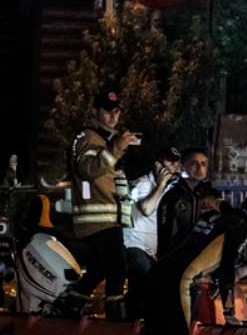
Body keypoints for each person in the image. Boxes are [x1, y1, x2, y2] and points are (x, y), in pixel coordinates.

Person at [143, 190, 247, 335]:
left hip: (157, 273)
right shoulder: (240, 227)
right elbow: (227, 268)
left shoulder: (217, 216)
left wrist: (215, 279)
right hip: (178, 282)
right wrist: (229, 311)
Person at [52, 89, 139, 321]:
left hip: (108, 216)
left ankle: (70, 306)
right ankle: (115, 319)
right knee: (118, 267)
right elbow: (87, 169)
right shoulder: (87, 137)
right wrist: (117, 149)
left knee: (101, 267)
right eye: (108, 111)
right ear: (95, 112)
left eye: (117, 112)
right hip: (98, 218)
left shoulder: (103, 139)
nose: (114, 117)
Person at [123, 147, 182, 317]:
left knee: (144, 287)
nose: (174, 167)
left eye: (177, 163)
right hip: (133, 247)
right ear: (157, 164)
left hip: (153, 251)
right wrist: (162, 185)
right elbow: (146, 209)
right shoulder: (143, 184)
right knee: (149, 278)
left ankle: (133, 319)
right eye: (170, 161)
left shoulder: (169, 189)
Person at [156, 147, 211, 259]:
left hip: (203, 262)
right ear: (182, 166)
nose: (200, 168)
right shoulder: (172, 196)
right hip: (177, 260)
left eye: (204, 164)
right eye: (194, 164)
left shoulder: (210, 195)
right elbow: (165, 237)